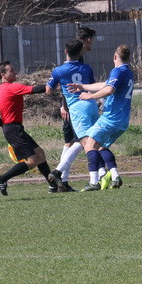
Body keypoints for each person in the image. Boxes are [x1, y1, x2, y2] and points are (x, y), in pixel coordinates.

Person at [0, 62, 66, 196]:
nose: (15, 72)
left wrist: (3, 125)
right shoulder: (11, 87)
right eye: (11, 70)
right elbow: (34, 89)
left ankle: (53, 185)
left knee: (40, 154)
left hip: (12, 128)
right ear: (3, 75)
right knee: (32, 161)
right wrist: (51, 85)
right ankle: (1, 179)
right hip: (13, 129)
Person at [68, 45, 134, 190]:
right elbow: (105, 85)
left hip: (110, 118)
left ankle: (94, 182)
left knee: (89, 145)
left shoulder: (117, 71)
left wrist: (89, 96)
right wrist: (83, 86)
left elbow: (109, 89)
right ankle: (115, 177)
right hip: (123, 121)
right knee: (101, 147)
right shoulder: (128, 72)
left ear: (115, 57)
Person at [46, 39, 97, 192]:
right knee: (90, 141)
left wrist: (59, 85)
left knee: (84, 143)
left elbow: (48, 90)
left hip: (77, 108)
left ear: (65, 51)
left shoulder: (59, 70)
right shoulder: (87, 68)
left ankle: (59, 172)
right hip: (91, 104)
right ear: (80, 52)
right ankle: (98, 176)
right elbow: (92, 86)